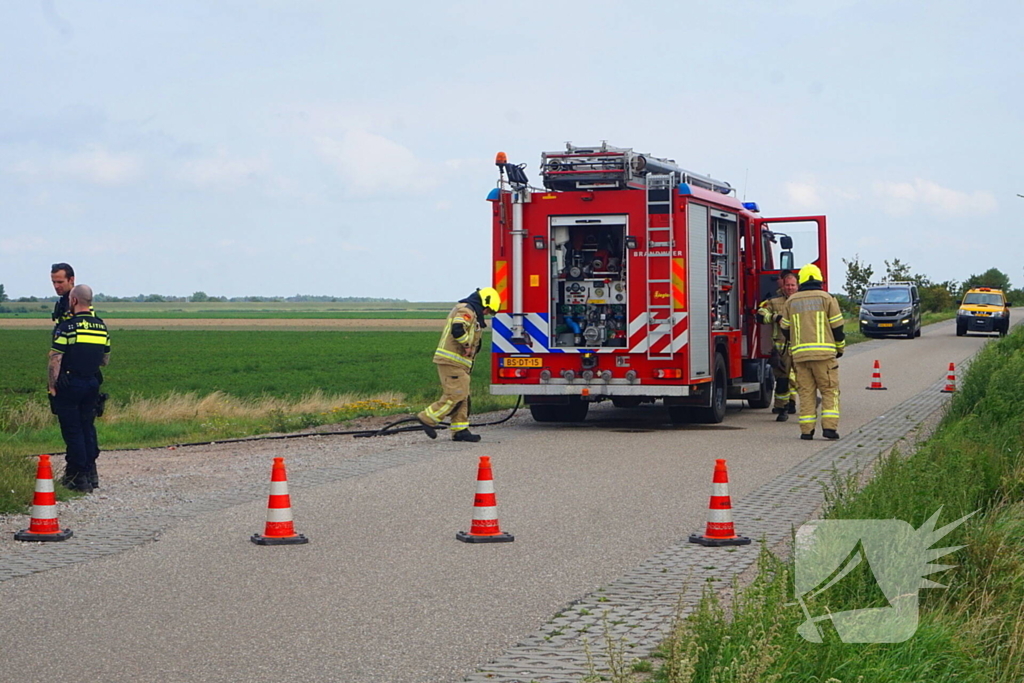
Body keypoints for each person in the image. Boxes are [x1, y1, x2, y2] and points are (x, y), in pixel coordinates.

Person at [416, 287, 501, 442]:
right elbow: (458, 329)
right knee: (456, 394)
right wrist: (467, 345)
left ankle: (460, 430)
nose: (487, 313)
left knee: (463, 395)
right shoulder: (466, 310)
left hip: (459, 362)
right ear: (485, 303)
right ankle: (427, 417)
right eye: (488, 310)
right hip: (451, 360)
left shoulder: (472, 312)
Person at [48, 285, 110, 492]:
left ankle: (77, 477)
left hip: (71, 383)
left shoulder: (68, 326)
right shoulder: (101, 326)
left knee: (73, 430)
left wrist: (52, 386)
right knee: (87, 428)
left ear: (73, 301)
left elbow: (55, 359)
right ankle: (91, 474)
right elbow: (105, 360)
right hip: (92, 382)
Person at [780, 264, 845, 440]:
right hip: (824, 356)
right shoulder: (827, 298)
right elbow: (837, 327)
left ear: (801, 281)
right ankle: (829, 428)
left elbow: (784, 327)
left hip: (800, 356)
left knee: (806, 393)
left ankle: (806, 431)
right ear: (819, 280)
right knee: (829, 390)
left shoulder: (791, 301)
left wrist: (796, 341)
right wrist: (839, 347)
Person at [757, 271, 799, 421]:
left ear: (797, 286)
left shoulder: (803, 300)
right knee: (782, 378)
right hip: (781, 347)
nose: (790, 288)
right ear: (783, 284)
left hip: (801, 345)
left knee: (804, 378)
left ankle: (802, 405)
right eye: (787, 285)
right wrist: (775, 317)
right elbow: (760, 314)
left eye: (793, 285)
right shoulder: (774, 301)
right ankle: (782, 408)